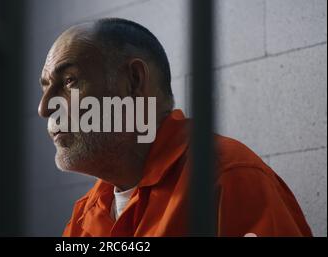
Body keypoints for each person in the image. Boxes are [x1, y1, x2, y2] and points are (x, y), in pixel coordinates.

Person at [37, 18, 312, 236]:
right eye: (46, 88)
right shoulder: (87, 211)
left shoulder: (226, 177)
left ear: (133, 81)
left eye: (69, 81)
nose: (44, 107)